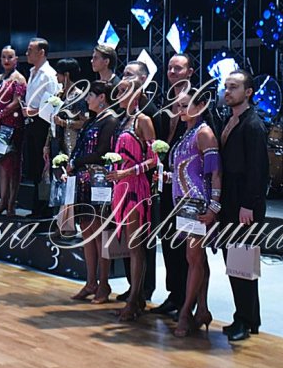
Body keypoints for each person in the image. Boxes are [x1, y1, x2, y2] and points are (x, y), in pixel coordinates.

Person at [218, 70, 270, 341]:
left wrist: (248, 204)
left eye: (234, 87)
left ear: (248, 92)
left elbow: (258, 170)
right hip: (231, 200)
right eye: (226, 86)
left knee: (242, 263)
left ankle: (245, 320)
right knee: (234, 262)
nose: (227, 91)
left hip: (245, 204)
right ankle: (248, 317)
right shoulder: (230, 120)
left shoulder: (253, 125)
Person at [105, 66, 158, 322]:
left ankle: (135, 298)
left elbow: (154, 158)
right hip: (121, 188)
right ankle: (135, 298)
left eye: (124, 91)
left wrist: (127, 172)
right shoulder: (123, 121)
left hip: (136, 188)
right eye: (119, 91)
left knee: (136, 247)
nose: (119, 95)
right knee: (129, 246)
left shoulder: (143, 120)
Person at [168, 88, 221, 337]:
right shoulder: (187, 132)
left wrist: (214, 206)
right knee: (196, 258)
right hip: (185, 204)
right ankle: (202, 310)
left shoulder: (204, 133)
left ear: (200, 106)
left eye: (185, 105)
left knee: (194, 258)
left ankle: (185, 312)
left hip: (198, 205)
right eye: (178, 106)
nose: (180, 110)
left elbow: (215, 173)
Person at [150, 53, 197, 318]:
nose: (172, 72)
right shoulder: (165, 101)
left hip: (190, 188)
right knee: (168, 239)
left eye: (178, 68)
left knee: (189, 247)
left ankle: (189, 301)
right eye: (169, 68)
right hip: (167, 183)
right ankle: (174, 294)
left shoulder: (197, 101)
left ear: (190, 72)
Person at [65, 81, 118, 303]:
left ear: (102, 97)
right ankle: (90, 282)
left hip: (99, 183)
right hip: (84, 181)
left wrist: (75, 163)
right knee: (87, 233)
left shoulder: (111, 120)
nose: (87, 99)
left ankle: (104, 283)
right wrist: (70, 162)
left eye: (91, 96)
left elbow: (102, 153)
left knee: (100, 235)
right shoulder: (92, 120)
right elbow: (80, 147)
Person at [0, 47, 27, 216]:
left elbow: (16, 103)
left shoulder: (19, 79)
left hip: (13, 126)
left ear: (16, 59)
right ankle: (3, 201)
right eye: (3, 57)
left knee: (14, 165)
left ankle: (11, 203)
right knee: (2, 163)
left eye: (10, 57)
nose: (6, 60)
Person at [23, 37, 60, 214]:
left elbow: (53, 103)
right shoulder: (32, 72)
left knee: (42, 167)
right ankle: (36, 207)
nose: (27, 53)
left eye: (30, 50)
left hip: (43, 123)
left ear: (41, 52)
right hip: (31, 123)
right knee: (34, 167)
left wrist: (33, 111)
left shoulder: (48, 74)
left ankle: (43, 209)